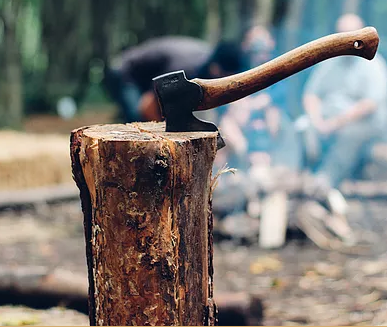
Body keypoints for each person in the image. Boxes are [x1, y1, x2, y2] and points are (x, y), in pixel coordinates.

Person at [301, 14, 387, 243]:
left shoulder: (374, 65)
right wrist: (317, 120)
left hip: (362, 124)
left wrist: (335, 123)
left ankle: (326, 180)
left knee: (351, 135)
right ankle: (300, 178)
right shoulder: (329, 63)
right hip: (328, 123)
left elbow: (369, 104)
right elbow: (311, 95)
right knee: (304, 127)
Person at [101, 36, 244, 123]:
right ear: (216, 69)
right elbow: (149, 103)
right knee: (137, 121)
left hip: (147, 76)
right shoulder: (187, 67)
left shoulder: (206, 62)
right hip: (125, 72)